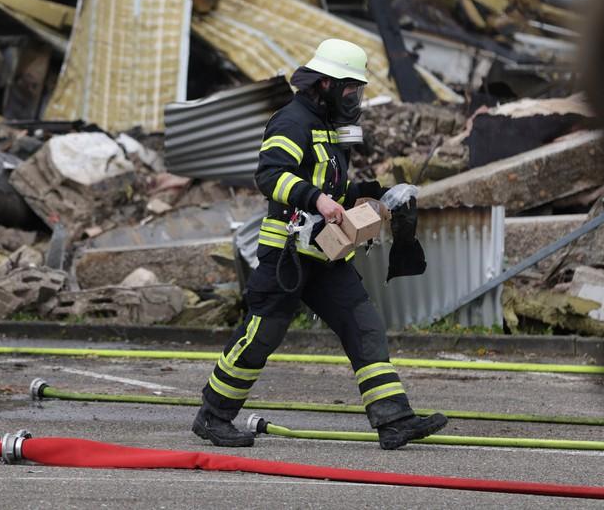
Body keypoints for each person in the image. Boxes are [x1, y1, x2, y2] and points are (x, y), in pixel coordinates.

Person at [191, 38, 448, 450]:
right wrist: (317, 199)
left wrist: (380, 193)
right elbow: (271, 176)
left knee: (364, 326)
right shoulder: (291, 122)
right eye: (351, 88)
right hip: (286, 258)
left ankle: (393, 419)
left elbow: (336, 186)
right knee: (261, 336)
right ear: (326, 84)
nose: (355, 97)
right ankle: (213, 416)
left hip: (325, 256)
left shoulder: (328, 129)